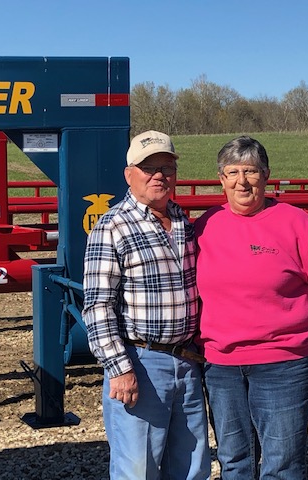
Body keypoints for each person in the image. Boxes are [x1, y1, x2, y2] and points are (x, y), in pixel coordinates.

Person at [194, 135, 308, 479]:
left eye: (251, 171)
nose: (242, 181)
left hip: (283, 364)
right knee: (234, 459)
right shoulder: (205, 226)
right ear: (221, 179)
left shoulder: (295, 223)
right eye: (232, 172)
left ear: (266, 175)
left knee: (282, 462)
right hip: (221, 364)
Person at [82, 130, 211, 480]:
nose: (159, 176)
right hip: (141, 361)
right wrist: (119, 368)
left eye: (167, 168)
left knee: (192, 464)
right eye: (148, 168)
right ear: (129, 174)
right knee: (138, 468)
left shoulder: (183, 222)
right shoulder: (112, 226)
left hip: (187, 360)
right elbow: (97, 306)